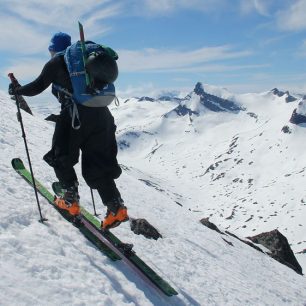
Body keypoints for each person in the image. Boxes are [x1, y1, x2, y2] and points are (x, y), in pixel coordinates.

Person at [9, 32, 128, 230]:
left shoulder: (56, 62)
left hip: (75, 116)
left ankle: (69, 200)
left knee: (61, 155)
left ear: (52, 48)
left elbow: (37, 86)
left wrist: (17, 90)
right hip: (102, 116)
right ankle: (116, 208)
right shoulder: (83, 62)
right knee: (98, 164)